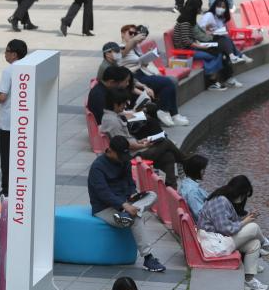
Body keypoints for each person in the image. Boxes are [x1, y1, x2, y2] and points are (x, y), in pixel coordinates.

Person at [88, 135, 168, 273]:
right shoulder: (97, 167)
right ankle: (148, 257)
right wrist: (123, 205)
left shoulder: (124, 161)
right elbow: (103, 193)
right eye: (120, 156)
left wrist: (133, 194)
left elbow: (130, 182)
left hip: (126, 202)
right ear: (110, 150)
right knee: (135, 218)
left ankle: (127, 214)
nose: (122, 159)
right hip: (105, 208)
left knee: (152, 195)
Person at [196, 175, 269, 290]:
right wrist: (246, 221)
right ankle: (265, 243)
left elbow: (229, 223)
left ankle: (249, 280)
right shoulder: (220, 201)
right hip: (213, 244)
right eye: (244, 195)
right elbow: (226, 229)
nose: (243, 199)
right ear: (238, 191)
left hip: (219, 240)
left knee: (254, 244)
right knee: (254, 227)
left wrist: (247, 217)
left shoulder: (224, 199)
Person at [96, 89, 185, 187]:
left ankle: (171, 187)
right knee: (166, 143)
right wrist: (144, 145)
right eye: (123, 104)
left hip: (133, 151)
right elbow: (123, 145)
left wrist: (139, 141)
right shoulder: (112, 121)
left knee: (168, 157)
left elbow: (125, 139)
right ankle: (186, 162)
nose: (125, 106)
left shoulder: (112, 116)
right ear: (115, 104)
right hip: (131, 157)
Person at [116, 24, 189, 127]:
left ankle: (174, 114)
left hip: (143, 73)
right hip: (133, 77)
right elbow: (123, 53)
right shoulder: (120, 47)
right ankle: (163, 111)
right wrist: (134, 40)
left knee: (171, 81)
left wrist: (149, 56)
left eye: (134, 33)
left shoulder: (135, 47)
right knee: (167, 82)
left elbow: (142, 63)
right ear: (123, 34)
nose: (133, 35)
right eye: (130, 33)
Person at [173, 0, 238, 90]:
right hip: (186, 51)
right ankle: (211, 78)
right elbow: (186, 40)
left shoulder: (189, 19)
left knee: (217, 51)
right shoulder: (185, 22)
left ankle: (212, 78)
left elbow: (193, 36)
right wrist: (201, 47)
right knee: (215, 54)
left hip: (191, 47)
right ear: (194, 8)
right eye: (199, 7)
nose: (200, 9)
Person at [0, 39, 28, 199]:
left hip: (8, 122)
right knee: (19, 156)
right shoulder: (27, 68)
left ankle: (6, 189)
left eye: (7, 51)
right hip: (23, 120)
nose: (5, 54)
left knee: (6, 157)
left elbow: (2, 96)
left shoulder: (8, 71)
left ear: (14, 54)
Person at [199, 0, 252, 64]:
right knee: (225, 38)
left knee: (226, 38)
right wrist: (208, 31)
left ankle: (236, 56)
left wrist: (217, 32)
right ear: (215, 6)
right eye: (219, 6)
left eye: (223, 7)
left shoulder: (221, 19)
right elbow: (200, 29)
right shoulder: (209, 15)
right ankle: (236, 56)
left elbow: (220, 31)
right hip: (206, 42)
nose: (220, 9)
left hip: (216, 40)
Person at [178, 153, 210, 219]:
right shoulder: (192, 191)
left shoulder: (185, 183)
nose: (204, 172)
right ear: (197, 170)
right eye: (203, 169)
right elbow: (200, 215)